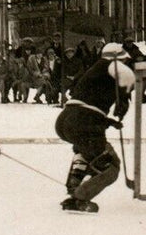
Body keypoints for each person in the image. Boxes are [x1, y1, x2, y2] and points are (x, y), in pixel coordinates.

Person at [54, 42, 135, 213]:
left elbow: (87, 100)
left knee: (85, 152)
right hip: (84, 122)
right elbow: (128, 77)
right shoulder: (110, 64)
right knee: (111, 166)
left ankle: (73, 187)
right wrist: (125, 97)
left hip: (66, 120)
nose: (126, 63)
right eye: (124, 60)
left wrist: (107, 121)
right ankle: (79, 198)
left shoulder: (93, 69)